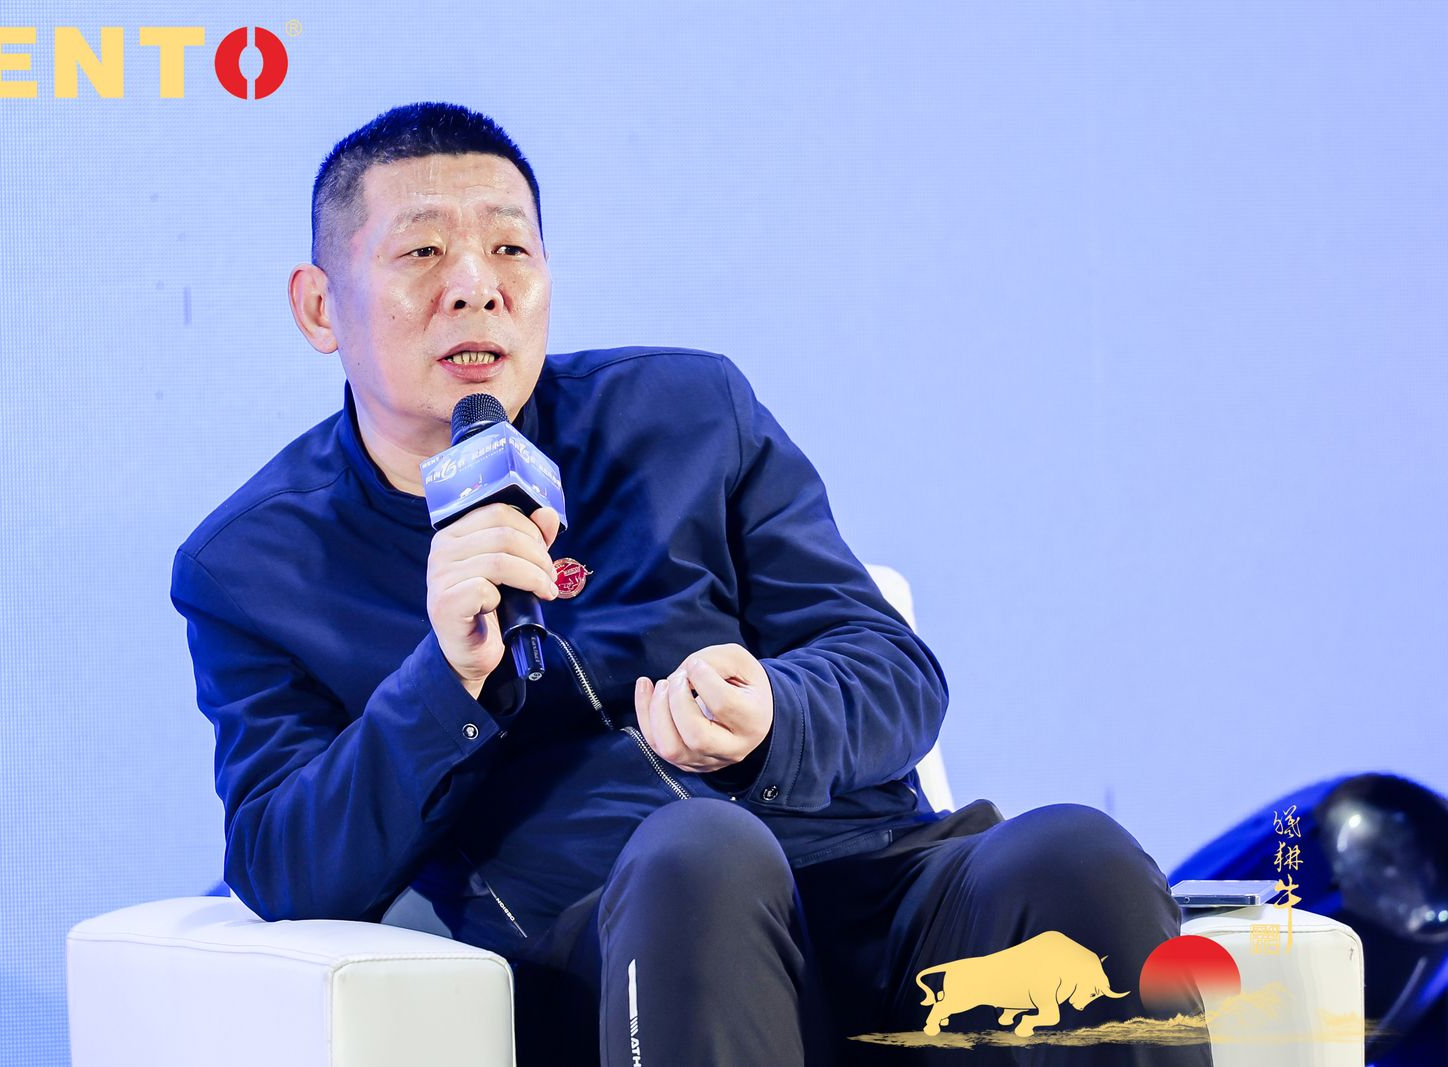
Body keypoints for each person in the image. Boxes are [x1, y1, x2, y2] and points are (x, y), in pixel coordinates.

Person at [170, 101, 1213, 1066]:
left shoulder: (686, 414)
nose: (477, 285)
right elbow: (282, 860)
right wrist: (443, 680)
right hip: (623, 938)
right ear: (320, 306)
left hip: (864, 883)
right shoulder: (254, 566)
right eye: (423, 251)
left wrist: (775, 714)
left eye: (510, 248)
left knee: (1073, 853)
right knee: (701, 854)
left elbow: (893, 672)